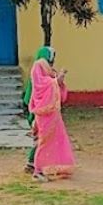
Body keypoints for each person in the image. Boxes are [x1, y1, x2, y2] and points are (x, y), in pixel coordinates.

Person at [27, 45, 75, 180]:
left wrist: (58, 80)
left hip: (53, 112)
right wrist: (56, 81)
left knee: (56, 139)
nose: (52, 60)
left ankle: (49, 166)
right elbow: (40, 85)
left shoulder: (48, 70)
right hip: (43, 111)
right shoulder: (38, 65)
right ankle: (37, 170)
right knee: (44, 140)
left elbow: (54, 85)